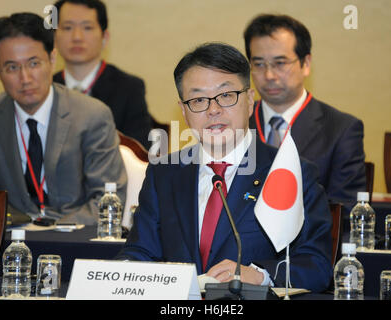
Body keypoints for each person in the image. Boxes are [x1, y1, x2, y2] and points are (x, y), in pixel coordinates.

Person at [116, 42, 333, 292]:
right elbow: (140, 251)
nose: (213, 110)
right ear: (184, 112)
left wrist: (260, 275)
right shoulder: (164, 173)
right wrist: (117, 274)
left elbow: (316, 266)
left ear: (250, 100)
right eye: (198, 100)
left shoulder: (289, 171)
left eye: (226, 96)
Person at [0, 12, 127, 225]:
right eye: (12, 67)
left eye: (34, 63)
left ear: (52, 59)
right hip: (10, 244)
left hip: (73, 239)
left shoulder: (92, 116)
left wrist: (53, 232)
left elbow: (107, 199)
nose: (25, 78)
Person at [244, 14, 366, 213]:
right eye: (258, 64)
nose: (269, 75)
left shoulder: (342, 129)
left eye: (280, 63)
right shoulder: (235, 124)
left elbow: (344, 213)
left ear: (306, 63)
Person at [53, 0, 153, 150]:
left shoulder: (129, 88)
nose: (77, 37)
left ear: (104, 37)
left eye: (87, 27)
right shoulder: (44, 88)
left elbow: (139, 152)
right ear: (54, 37)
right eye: (67, 27)